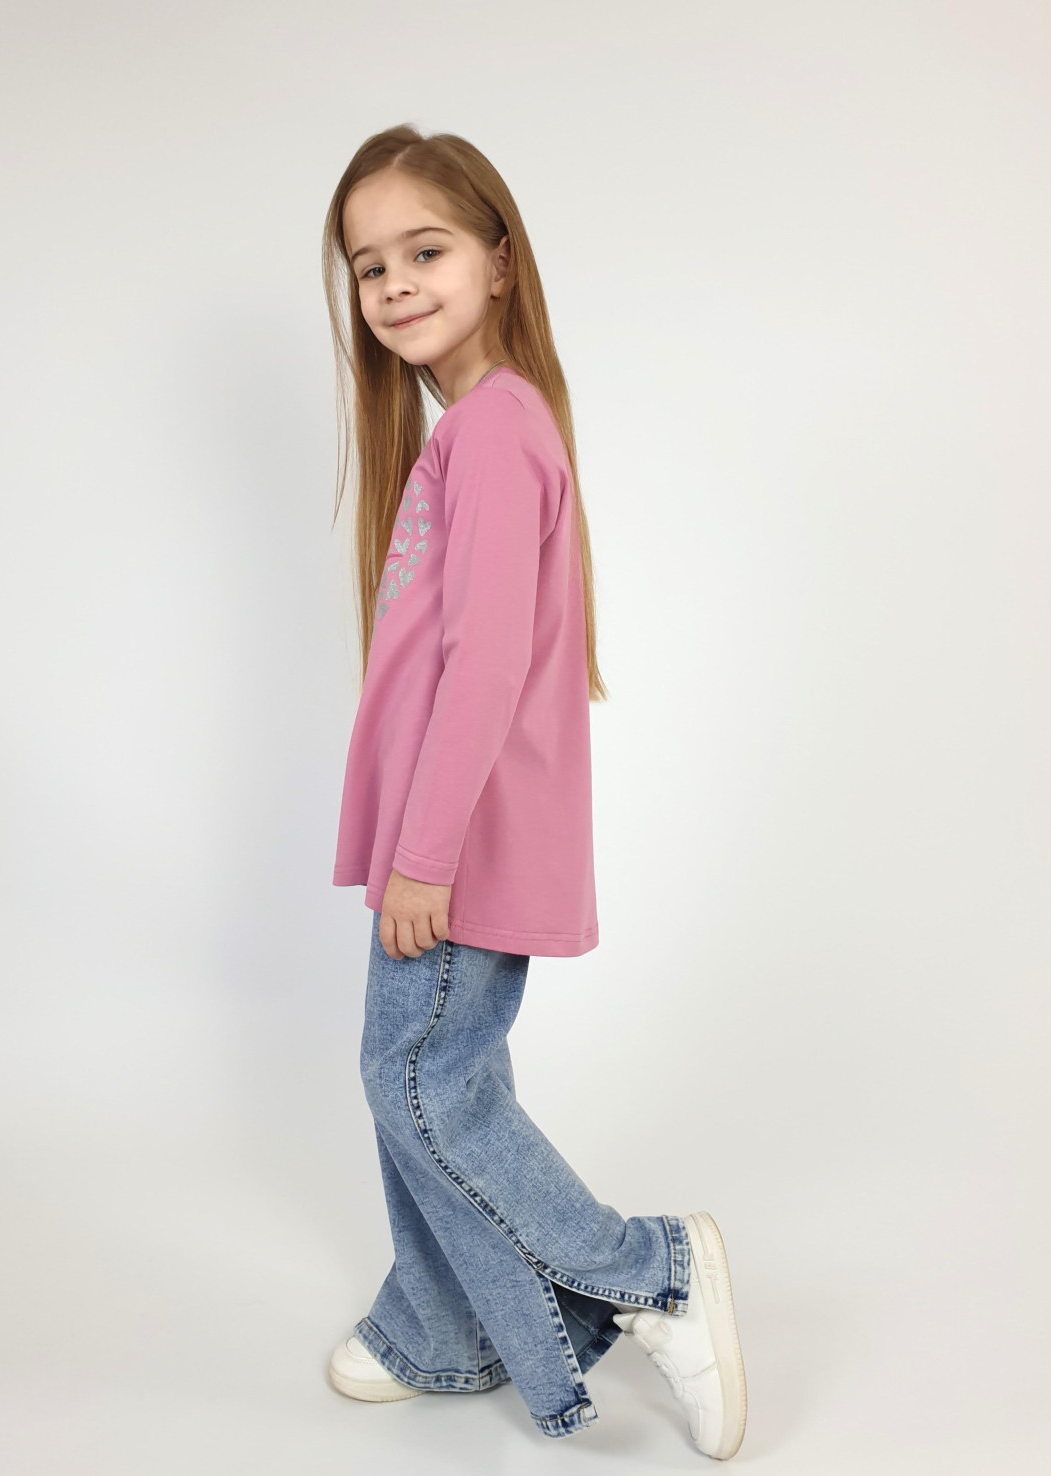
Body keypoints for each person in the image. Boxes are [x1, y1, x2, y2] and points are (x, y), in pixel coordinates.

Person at [320, 123, 748, 1459]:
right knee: (418, 1076)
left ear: (500, 262)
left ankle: (650, 1272)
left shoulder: (497, 430)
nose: (395, 285)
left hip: (456, 846)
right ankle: (441, 1328)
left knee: (422, 1082)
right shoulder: (471, 431)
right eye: (370, 266)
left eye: (426, 251)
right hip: (438, 836)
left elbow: (489, 662)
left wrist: (425, 854)